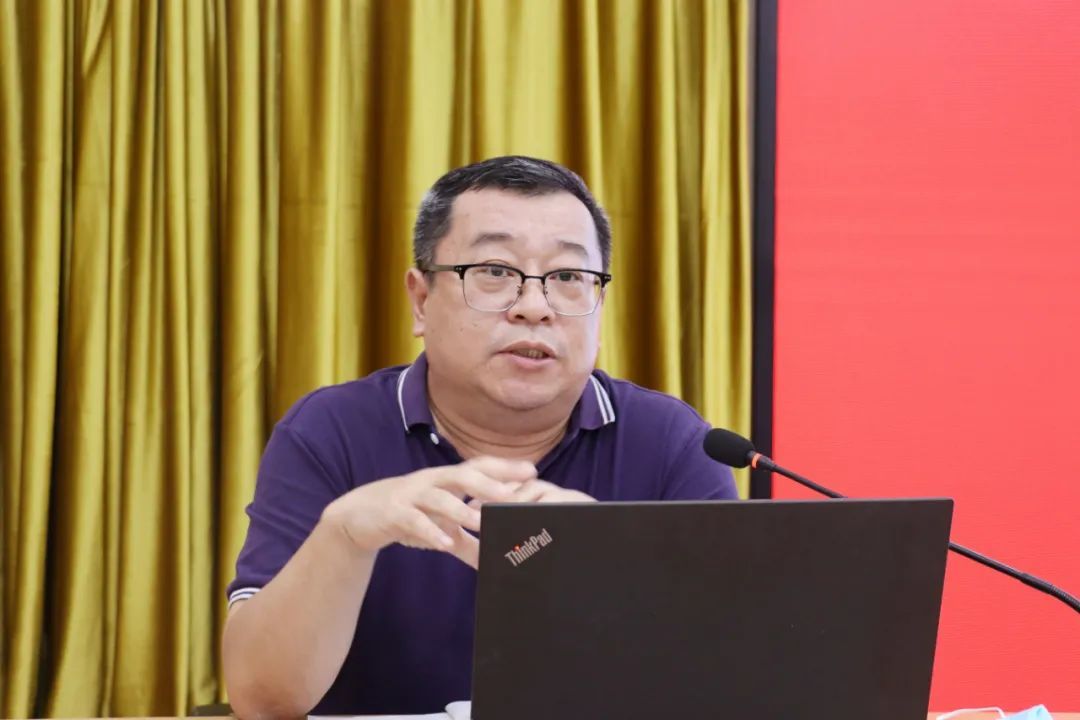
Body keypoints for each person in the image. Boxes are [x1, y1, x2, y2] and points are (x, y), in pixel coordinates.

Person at [221, 156, 737, 718]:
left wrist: (610, 567)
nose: (535, 308)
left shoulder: (672, 444)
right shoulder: (331, 432)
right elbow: (261, 700)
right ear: (421, 300)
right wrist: (343, 538)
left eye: (568, 277)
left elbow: (735, 683)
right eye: (494, 271)